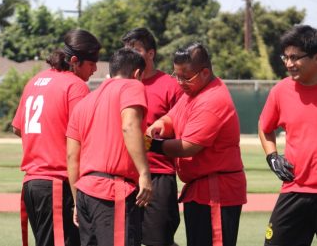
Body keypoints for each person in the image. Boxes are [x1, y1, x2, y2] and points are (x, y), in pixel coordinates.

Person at [146, 43, 247, 246]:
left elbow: (189, 147)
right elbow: (172, 117)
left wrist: (151, 145)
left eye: (186, 76)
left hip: (216, 190)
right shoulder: (193, 92)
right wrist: (160, 124)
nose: (180, 82)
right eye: (176, 75)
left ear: (205, 72)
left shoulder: (213, 99)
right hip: (202, 189)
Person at [11, 29, 101, 246]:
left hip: (33, 185)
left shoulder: (35, 81)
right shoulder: (75, 85)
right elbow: (87, 135)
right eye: (91, 63)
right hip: (57, 185)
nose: (95, 68)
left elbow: (17, 128)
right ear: (74, 61)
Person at [66, 48, 152, 246]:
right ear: (137, 73)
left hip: (85, 192)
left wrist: (77, 200)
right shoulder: (132, 86)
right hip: (113, 191)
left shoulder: (85, 101)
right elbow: (129, 126)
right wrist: (144, 173)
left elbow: (72, 156)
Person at [122, 27, 183, 246]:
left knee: (158, 240)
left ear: (151, 54)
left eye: (136, 49)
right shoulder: (123, 85)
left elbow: (182, 126)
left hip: (159, 174)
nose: (130, 54)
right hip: (126, 175)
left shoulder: (170, 85)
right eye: (127, 49)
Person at [258, 25, 317, 246]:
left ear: (315, 57)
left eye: (295, 57)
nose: (289, 64)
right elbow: (265, 127)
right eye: (286, 57)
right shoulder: (281, 91)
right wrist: (272, 156)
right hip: (295, 190)